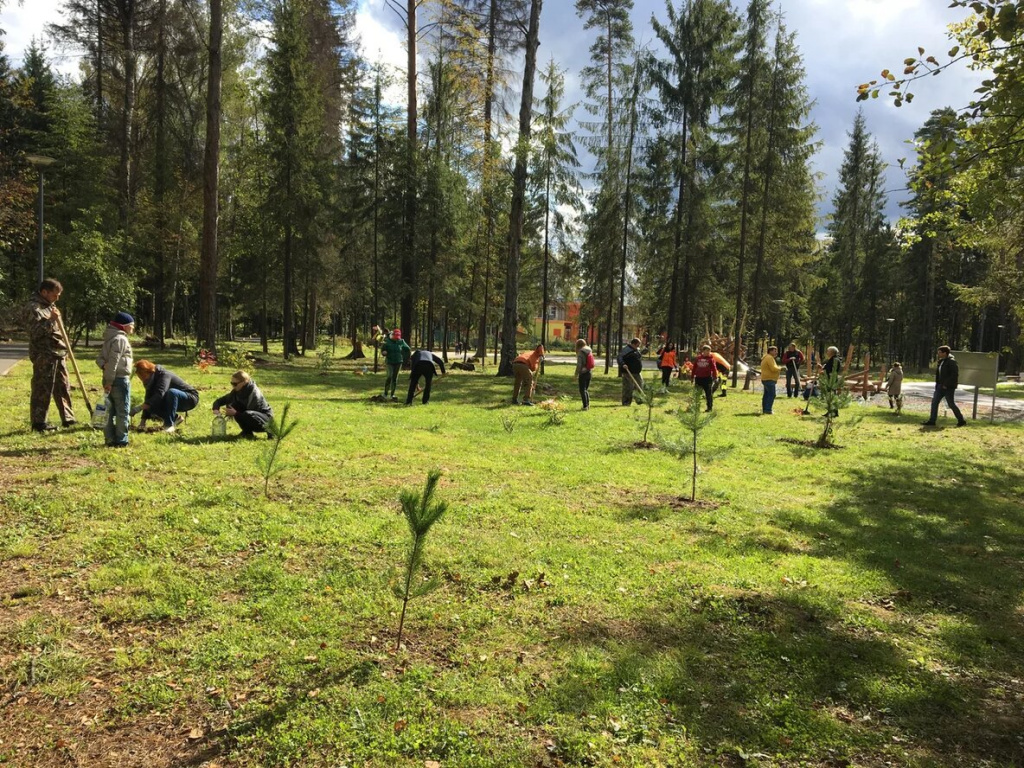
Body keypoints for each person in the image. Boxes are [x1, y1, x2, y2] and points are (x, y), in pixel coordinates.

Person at [22, 278, 75, 431]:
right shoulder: (33, 308)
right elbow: (35, 333)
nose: (57, 298)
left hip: (58, 353)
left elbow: (59, 331)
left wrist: (66, 349)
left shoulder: (51, 306)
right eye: (54, 294)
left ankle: (68, 419)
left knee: (63, 386)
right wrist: (51, 320)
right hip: (44, 355)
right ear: (44, 292)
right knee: (42, 388)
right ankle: (39, 423)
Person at [95, 311, 134, 447]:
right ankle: (121, 440)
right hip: (118, 380)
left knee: (108, 411)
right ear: (124, 326)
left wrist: (103, 367)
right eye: (131, 325)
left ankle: (109, 439)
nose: (133, 328)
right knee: (122, 411)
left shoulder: (109, 337)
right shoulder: (121, 339)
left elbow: (99, 359)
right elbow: (114, 361)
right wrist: (110, 381)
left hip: (108, 378)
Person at [134, 360, 200, 432]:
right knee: (151, 404)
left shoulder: (164, 375)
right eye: (140, 377)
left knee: (171, 392)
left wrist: (139, 408)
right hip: (172, 400)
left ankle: (169, 425)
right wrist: (142, 422)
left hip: (190, 398)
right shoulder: (149, 381)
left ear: (149, 371)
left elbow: (160, 393)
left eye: (143, 376)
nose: (142, 379)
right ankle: (176, 418)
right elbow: (148, 399)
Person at [212, 370, 273, 437]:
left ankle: (271, 431)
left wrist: (235, 413)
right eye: (231, 383)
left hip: (265, 420)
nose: (233, 386)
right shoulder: (236, 392)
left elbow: (251, 416)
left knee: (246, 413)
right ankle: (247, 432)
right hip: (251, 417)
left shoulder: (254, 394)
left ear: (244, 382)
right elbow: (219, 401)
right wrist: (216, 409)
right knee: (235, 406)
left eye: (235, 384)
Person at [923, 345, 966, 427]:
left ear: (945, 353)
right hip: (940, 386)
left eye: (939, 352)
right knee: (934, 402)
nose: (938, 354)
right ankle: (932, 421)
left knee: (951, 404)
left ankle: (961, 420)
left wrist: (946, 384)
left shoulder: (951, 362)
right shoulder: (941, 361)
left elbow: (954, 375)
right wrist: (938, 384)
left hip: (948, 387)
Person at [802, 345, 840, 415]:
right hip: (830, 379)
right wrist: (822, 368)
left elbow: (829, 371)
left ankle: (832, 412)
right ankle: (832, 412)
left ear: (831, 352)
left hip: (830, 380)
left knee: (831, 396)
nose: (827, 352)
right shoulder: (833, 359)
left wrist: (821, 370)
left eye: (828, 351)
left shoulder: (834, 360)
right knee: (831, 395)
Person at [381, 329, 411, 402]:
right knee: (389, 376)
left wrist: (405, 358)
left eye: (398, 336)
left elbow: (408, 349)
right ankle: (385, 393)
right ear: (392, 335)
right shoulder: (387, 341)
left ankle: (392, 394)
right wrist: (384, 352)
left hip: (398, 362)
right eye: (396, 336)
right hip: (389, 362)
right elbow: (382, 350)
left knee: (395, 378)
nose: (397, 338)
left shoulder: (401, 341)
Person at [617, 337, 644, 405]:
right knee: (628, 387)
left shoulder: (636, 350)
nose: (638, 347)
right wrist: (623, 364)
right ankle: (626, 401)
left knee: (639, 385)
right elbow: (619, 358)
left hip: (637, 372)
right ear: (633, 344)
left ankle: (639, 400)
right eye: (637, 345)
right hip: (628, 372)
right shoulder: (626, 350)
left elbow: (639, 357)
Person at [691, 344, 717, 412]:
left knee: (708, 394)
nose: (708, 352)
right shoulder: (698, 358)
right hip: (698, 378)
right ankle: (696, 407)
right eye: (707, 351)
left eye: (709, 351)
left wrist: (715, 377)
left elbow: (714, 369)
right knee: (697, 394)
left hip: (707, 379)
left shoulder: (711, 359)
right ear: (703, 351)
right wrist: (692, 377)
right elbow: (694, 368)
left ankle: (709, 407)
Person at [574, 338, 595, 410]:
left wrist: (576, 374)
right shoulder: (589, 350)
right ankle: (587, 405)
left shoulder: (581, 352)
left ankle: (585, 406)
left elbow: (579, 365)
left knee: (582, 390)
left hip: (583, 373)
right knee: (586, 389)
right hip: (589, 371)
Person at [760, 345, 782, 415]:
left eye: (776, 351)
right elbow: (773, 368)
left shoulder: (767, 357)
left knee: (766, 394)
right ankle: (768, 410)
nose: (776, 352)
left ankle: (765, 409)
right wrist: (780, 368)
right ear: (770, 351)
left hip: (765, 378)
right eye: (775, 351)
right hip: (769, 379)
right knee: (772, 394)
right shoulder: (769, 358)